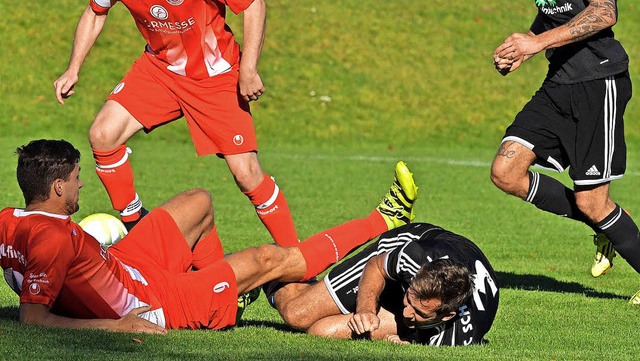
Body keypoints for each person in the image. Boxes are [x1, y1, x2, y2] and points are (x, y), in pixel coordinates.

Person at [52, 0, 296, 240]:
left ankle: (296, 259)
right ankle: (137, 225)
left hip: (215, 77)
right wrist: (72, 69)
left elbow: (254, 4)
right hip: (160, 71)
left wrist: (249, 70)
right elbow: (95, 13)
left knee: (246, 174)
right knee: (103, 135)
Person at [0, 139, 419, 332]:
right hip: (155, 300)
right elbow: (34, 319)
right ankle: (384, 219)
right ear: (57, 189)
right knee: (268, 258)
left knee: (197, 200)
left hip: (127, 265)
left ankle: (226, 294)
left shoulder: (9, 219)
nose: (81, 186)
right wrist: (120, 328)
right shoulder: (51, 240)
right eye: (76, 179)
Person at [491, 0, 640, 301]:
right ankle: (608, 225)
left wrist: (536, 44)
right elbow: (553, 5)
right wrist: (526, 45)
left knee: (594, 200)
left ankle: (611, 226)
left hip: (599, 80)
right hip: (560, 81)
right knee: (506, 171)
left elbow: (604, 11)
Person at [270, 221, 498, 346]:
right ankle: (275, 267)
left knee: (323, 331)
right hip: (407, 246)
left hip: (437, 287)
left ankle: (303, 281)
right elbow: (377, 267)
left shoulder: (458, 337)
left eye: (419, 312)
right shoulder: (412, 257)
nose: (407, 313)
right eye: (408, 300)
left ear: (447, 315)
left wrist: (409, 342)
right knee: (297, 313)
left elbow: (421, 343)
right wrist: (365, 310)